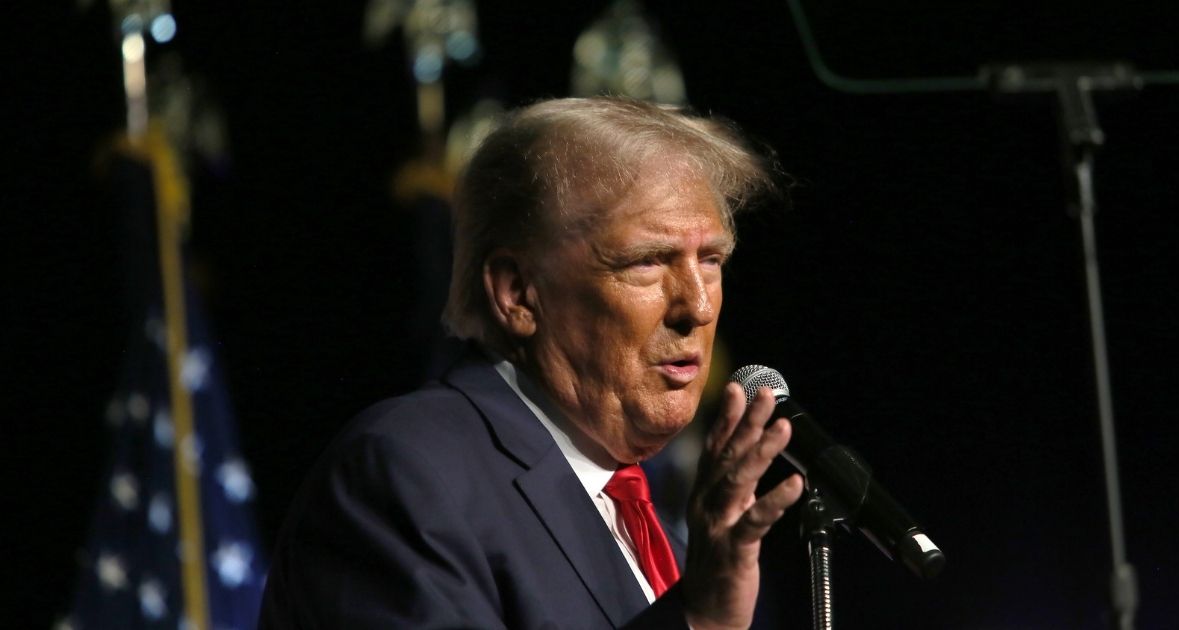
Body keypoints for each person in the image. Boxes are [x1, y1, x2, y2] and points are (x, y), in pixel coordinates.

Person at [258, 97, 804, 629]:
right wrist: (696, 620)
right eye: (647, 262)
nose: (699, 306)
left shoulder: (666, 540)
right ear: (518, 293)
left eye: (710, 261)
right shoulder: (407, 474)